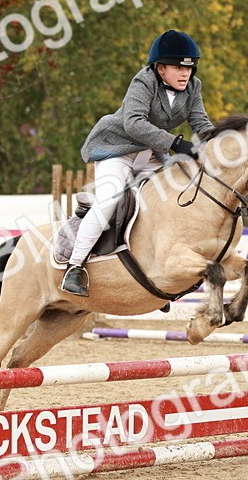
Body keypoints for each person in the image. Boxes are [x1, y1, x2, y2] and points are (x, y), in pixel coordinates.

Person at [60, 29, 214, 297]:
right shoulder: (142, 83)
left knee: (171, 198)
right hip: (118, 149)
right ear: (160, 68)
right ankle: (74, 268)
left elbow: (201, 124)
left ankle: (158, 270)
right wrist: (176, 144)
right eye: (178, 67)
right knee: (109, 200)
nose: (185, 74)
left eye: (189, 68)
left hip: (151, 153)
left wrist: (222, 142)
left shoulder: (193, 87)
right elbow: (134, 124)